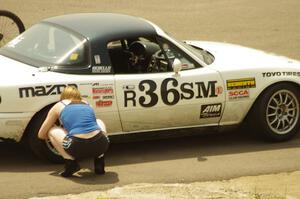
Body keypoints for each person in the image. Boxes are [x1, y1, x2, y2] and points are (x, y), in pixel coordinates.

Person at [38, 86, 110, 177]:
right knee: (98, 122)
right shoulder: (87, 104)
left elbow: (41, 134)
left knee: (52, 131)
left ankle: (71, 163)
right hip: (101, 145)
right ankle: (100, 161)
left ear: (63, 96)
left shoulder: (59, 105)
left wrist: (57, 132)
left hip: (77, 147)